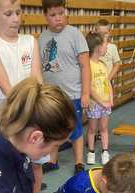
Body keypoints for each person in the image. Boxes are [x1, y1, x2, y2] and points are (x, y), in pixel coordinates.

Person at [0, 0, 46, 193]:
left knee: (36, 162)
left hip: (34, 114)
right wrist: (25, 114)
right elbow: (8, 90)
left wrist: (38, 112)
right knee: (13, 165)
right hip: (12, 117)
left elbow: (37, 78)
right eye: (8, 13)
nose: (15, 18)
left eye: (18, 13)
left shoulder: (30, 41)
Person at [39, 0, 90, 175]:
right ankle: (53, 161)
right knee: (52, 129)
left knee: (75, 129)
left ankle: (78, 163)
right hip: (52, 96)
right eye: (53, 15)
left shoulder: (75, 34)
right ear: (45, 16)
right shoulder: (42, 37)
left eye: (61, 13)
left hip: (73, 94)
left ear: (66, 12)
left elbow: (85, 66)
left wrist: (85, 93)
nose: (58, 18)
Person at [85, 32, 113, 166]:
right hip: (95, 104)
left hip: (105, 103)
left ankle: (105, 151)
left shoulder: (103, 64)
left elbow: (107, 83)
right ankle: (91, 152)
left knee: (104, 128)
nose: (106, 47)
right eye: (104, 44)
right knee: (92, 129)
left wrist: (111, 98)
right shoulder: (89, 65)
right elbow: (89, 87)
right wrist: (100, 102)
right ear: (97, 47)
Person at [95, 19, 121, 85]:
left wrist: (109, 79)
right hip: (96, 82)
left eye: (105, 33)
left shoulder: (113, 47)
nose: (102, 36)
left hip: (108, 81)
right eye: (100, 33)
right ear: (96, 32)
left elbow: (117, 64)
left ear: (109, 32)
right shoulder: (93, 47)